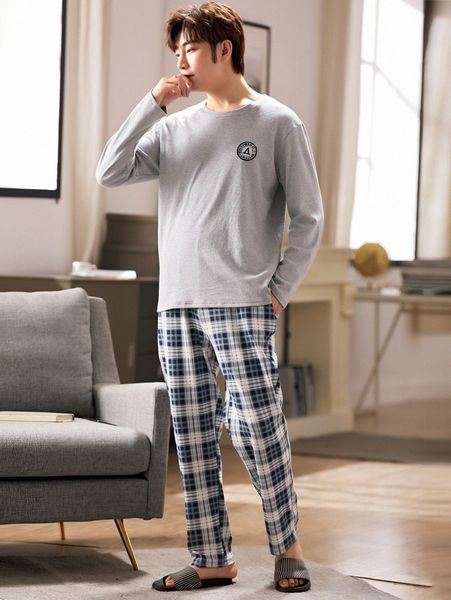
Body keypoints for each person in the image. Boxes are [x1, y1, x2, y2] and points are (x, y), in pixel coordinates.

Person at [96, 2, 324, 593]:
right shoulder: (172, 129)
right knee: (194, 435)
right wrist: (153, 102)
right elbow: (108, 171)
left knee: (258, 429)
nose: (182, 60)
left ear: (225, 49)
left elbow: (309, 218)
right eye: (177, 51)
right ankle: (211, 557)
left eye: (191, 48)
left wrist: (279, 292)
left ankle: (288, 548)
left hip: (244, 302)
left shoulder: (278, 123)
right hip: (175, 304)